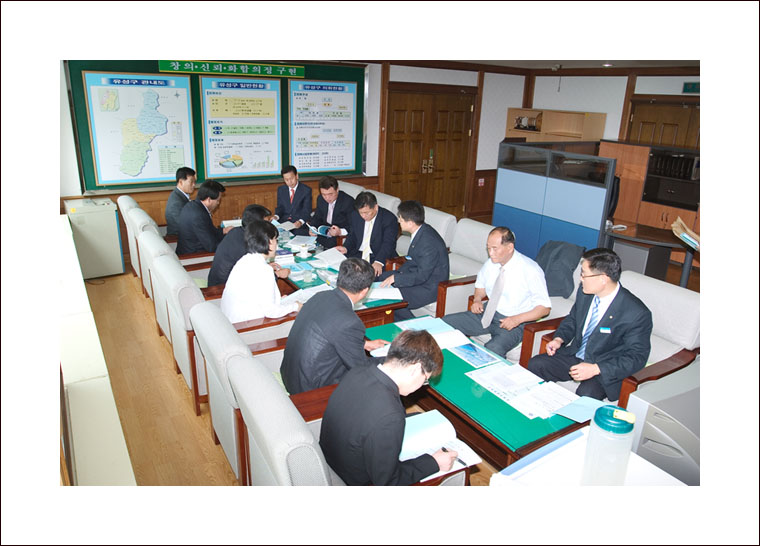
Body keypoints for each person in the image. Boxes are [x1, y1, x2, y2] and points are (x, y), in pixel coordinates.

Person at [319, 329, 458, 485]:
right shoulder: (390, 416)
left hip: (331, 459)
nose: (422, 385)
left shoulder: (359, 371)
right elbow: (388, 482)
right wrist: (434, 462)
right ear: (414, 369)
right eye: (425, 379)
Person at [528, 248, 652, 401]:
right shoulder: (585, 293)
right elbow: (573, 319)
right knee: (536, 364)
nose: (581, 279)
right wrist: (559, 339)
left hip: (604, 366)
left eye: (584, 275)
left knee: (587, 393)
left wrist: (595, 369)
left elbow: (637, 357)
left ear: (603, 278)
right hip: (577, 355)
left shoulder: (636, 313)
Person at [280, 257, 389, 395]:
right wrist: (391, 359)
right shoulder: (350, 322)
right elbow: (360, 367)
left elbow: (330, 333)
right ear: (364, 291)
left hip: (291, 376)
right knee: (374, 381)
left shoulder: (320, 296)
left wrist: (364, 344)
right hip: (311, 389)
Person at [442, 227, 551, 357]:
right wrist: (477, 299)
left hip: (514, 322)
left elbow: (544, 308)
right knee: (445, 323)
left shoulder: (530, 270)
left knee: (493, 349)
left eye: (495, 248)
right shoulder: (491, 264)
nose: (490, 253)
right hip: (488, 313)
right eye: (488, 248)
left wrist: (516, 320)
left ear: (510, 247)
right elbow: (480, 286)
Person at [377, 200, 449, 321]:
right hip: (417, 276)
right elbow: (412, 261)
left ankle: (413, 327)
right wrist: (396, 274)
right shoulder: (420, 231)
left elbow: (422, 275)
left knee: (392, 298)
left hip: (429, 287)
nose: (398, 221)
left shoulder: (428, 243)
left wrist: (397, 278)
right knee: (381, 278)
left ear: (410, 223)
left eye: (400, 219)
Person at [220, 220, 302, 324]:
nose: (276, 244)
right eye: (275, 239)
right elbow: (271, 312)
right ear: (269, 242)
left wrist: (279, 301)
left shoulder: (244, 260)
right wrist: (295, 306)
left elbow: (256, 295)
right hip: (246, 326)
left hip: (230, 320)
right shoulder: (264, 270)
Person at [207, 204, 290, 287]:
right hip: (222, 287)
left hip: (220, 281)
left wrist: (265, 267)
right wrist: (277, 274)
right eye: (266, 223)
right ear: (257, 225)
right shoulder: (248, 244)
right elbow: (253, 281)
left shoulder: (236, 231)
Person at [336, 191, 398, 277]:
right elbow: (352, 235)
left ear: (375, 207)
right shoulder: (355, 215)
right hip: (358, 254)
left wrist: (379, 261)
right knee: (340, 272)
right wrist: (346, 247)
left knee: (365, 278)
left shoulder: (389, 219)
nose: (363, 216)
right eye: (361, 213)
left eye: (367, 213)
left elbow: (388, 243)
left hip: (378, 256)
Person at [176, 180, 233, 255]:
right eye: (218, 200)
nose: (218, 203)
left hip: (192, 250)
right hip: (193, 256)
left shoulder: (194, 206)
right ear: (209, 200)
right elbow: (211, 246)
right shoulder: (198, 215)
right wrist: (232, 244)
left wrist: (224, 230)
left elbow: (209, 230)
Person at [308, 175, 355, 249]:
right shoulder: (320, 199)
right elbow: (317, 217)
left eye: (330, 194)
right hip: (324, 231)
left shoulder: (348, 202)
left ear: (337, 189)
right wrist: (313, 228)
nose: (327, 198)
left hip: (337, 236)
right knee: (301, 233)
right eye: (324, 194)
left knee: (326, 243)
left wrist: (340, 232)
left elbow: (353, 226)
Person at [273, 165, 311, 236]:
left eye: (291, 178)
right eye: (286, 180)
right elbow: (280, 207)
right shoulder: (281, 190)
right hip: (284, 224)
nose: (289, 182)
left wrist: (300, 222)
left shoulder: (306, 190)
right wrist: (276, 216)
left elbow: (306, 211)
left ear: (297, 176)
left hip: (298, 225)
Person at [165, 167, 196, 236]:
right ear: (181, 182)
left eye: (194, 182)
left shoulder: (179, 195)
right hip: (178, 238)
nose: (194, 185)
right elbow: (185, 226)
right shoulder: (176, 202)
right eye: (191, 182)